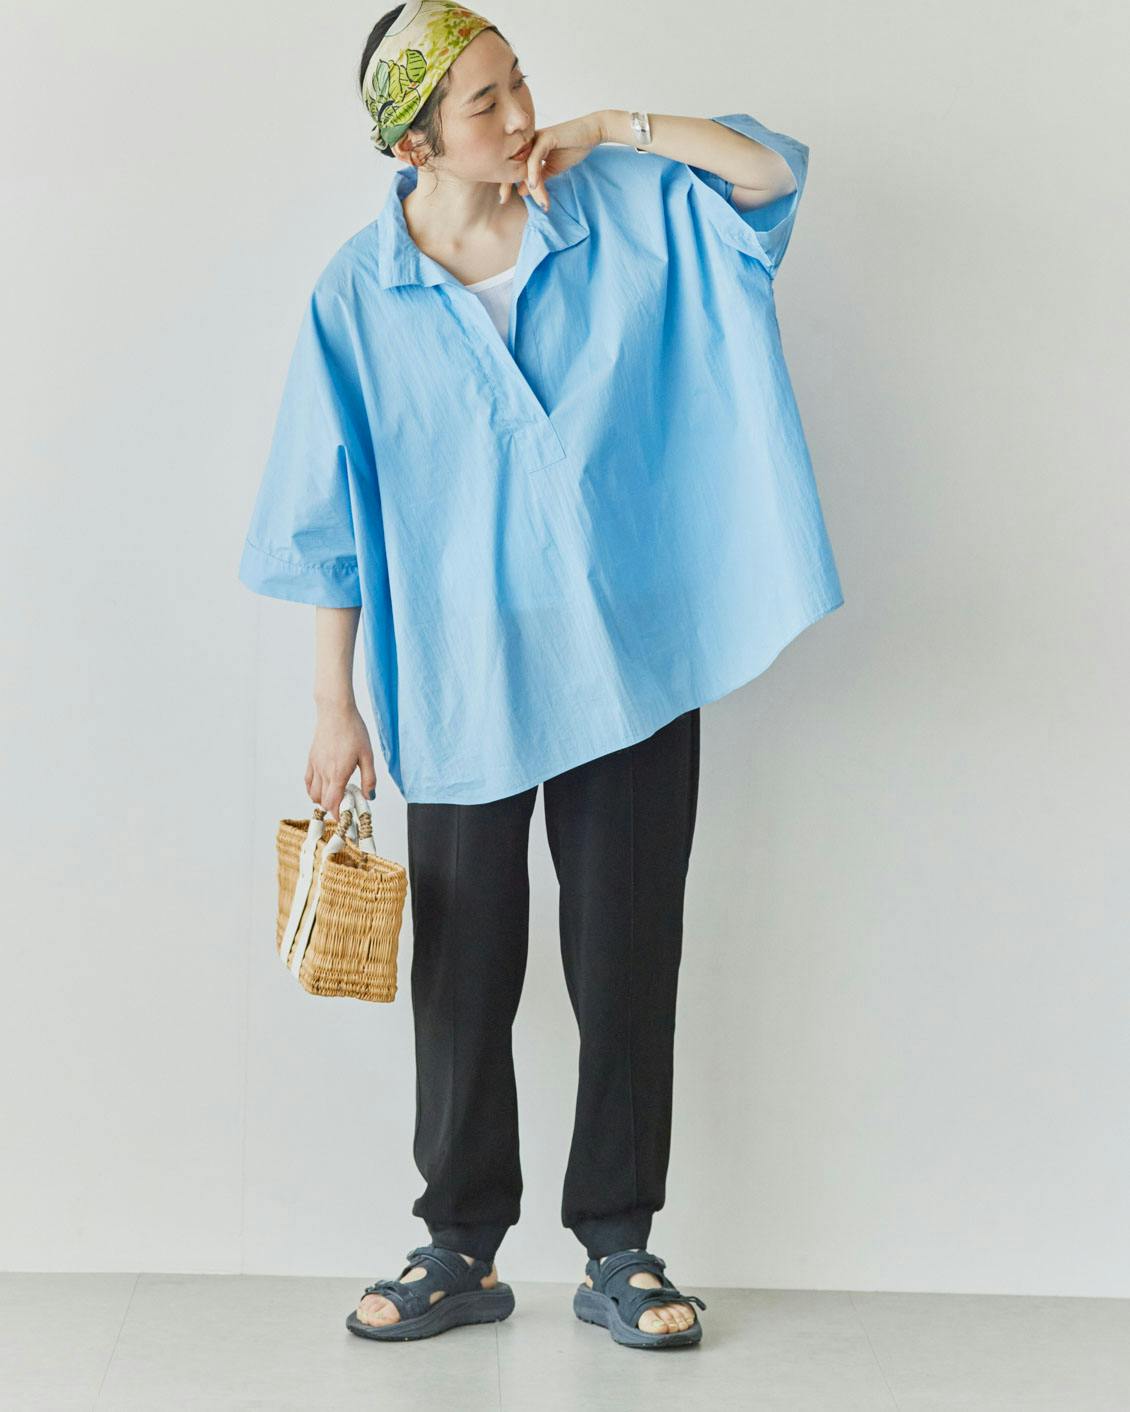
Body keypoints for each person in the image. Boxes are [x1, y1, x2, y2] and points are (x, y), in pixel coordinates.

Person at [237, 0, 844, 1350]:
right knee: (464, 964)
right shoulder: (358, 293)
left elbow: (767, 177)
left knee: (625, 950)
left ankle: (621, 1245)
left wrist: (611, 127)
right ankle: (459, 1243)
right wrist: (334, 705)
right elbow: (325, 518)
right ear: (412, 144)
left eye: (519, 83)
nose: (518, 116)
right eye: (484, 103)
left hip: (629, 657)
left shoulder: (618, 205)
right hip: (458, 670)